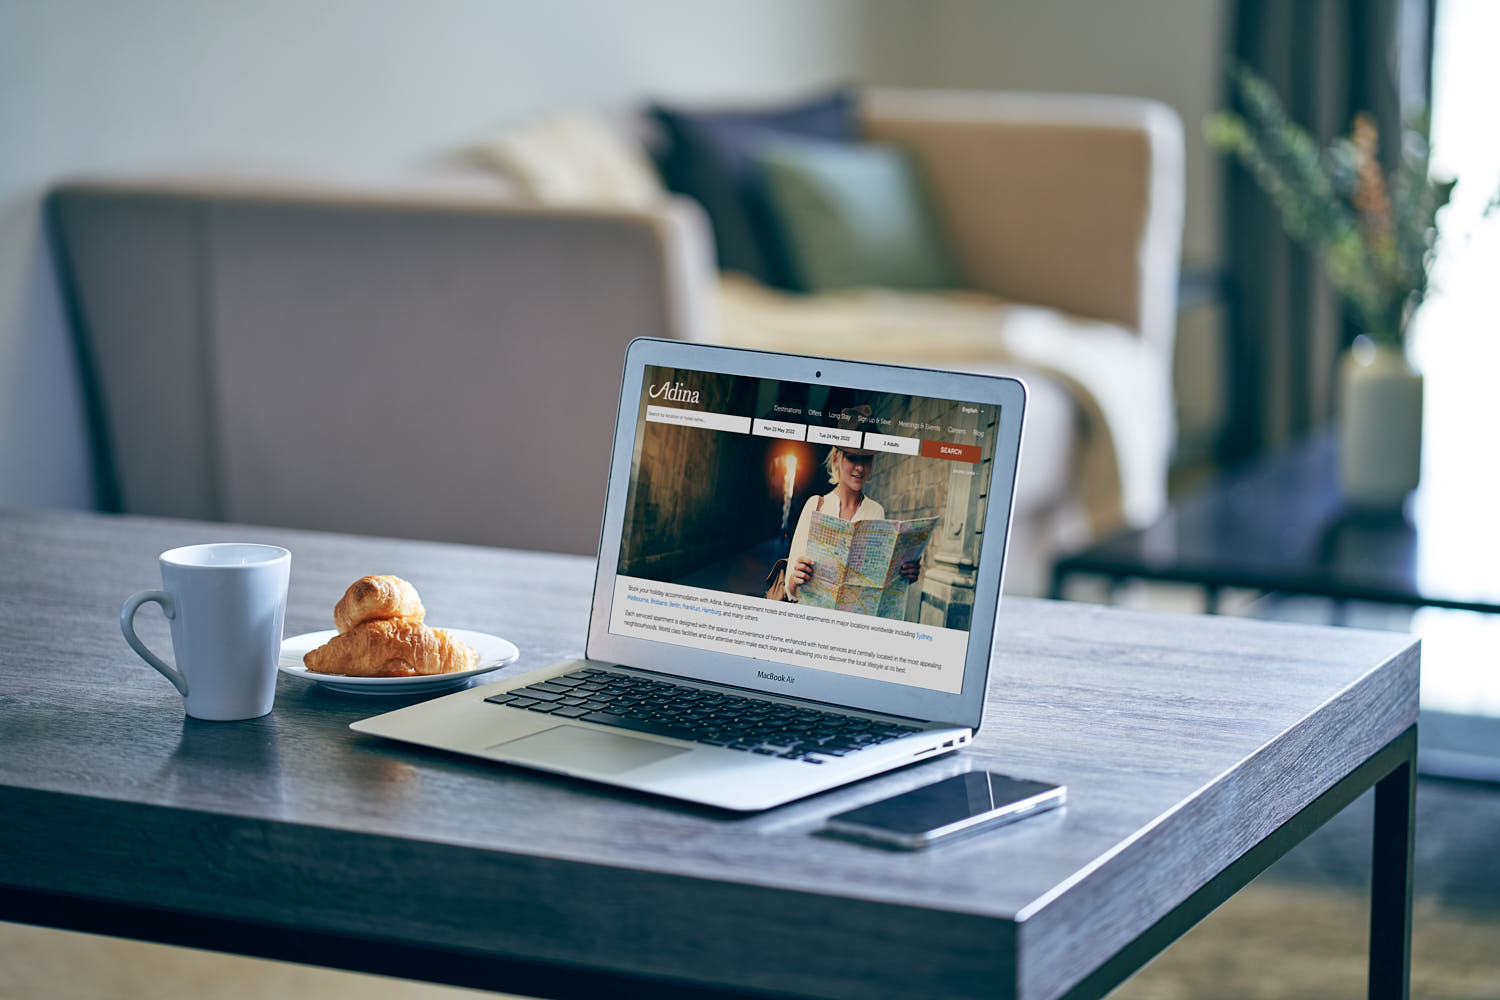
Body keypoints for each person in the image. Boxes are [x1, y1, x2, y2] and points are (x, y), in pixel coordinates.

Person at [785, 436, 920, 602]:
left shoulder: (876, 511)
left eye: (867, 459)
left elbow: (877, 580)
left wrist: (904, 576)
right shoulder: (815, 505)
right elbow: (790, 587)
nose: (860, 468)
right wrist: (795, 579)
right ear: (836, 458)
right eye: (852, 458)